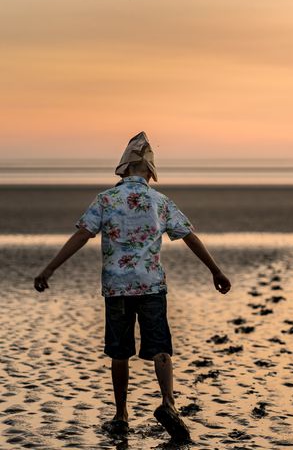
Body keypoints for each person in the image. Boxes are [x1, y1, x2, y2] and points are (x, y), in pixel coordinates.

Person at [33, 132, 231, 442]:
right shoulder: (160, 201)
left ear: (123, 169)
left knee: (120, 352)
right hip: (151, 286)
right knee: (161, 347)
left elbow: (82, 235)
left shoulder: (106, 199)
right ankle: (168, 403)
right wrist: (215, 271)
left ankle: (121, 415)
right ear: (150, 173)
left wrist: (50, 268)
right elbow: (190, 236)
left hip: (116, 288)